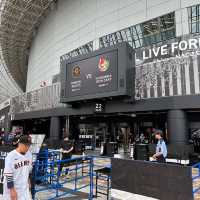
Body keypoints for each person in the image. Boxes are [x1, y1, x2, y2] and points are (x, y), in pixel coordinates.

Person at [3, 135, 32, 200]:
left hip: (24, 189)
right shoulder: (11, 156)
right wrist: (12, 190)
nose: (27, 147)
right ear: (20, 144)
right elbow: (8, 175)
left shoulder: (29, 154)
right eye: (26, 145)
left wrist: (29, 181)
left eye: (29, 145)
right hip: (14, 188)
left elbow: (28, 170)